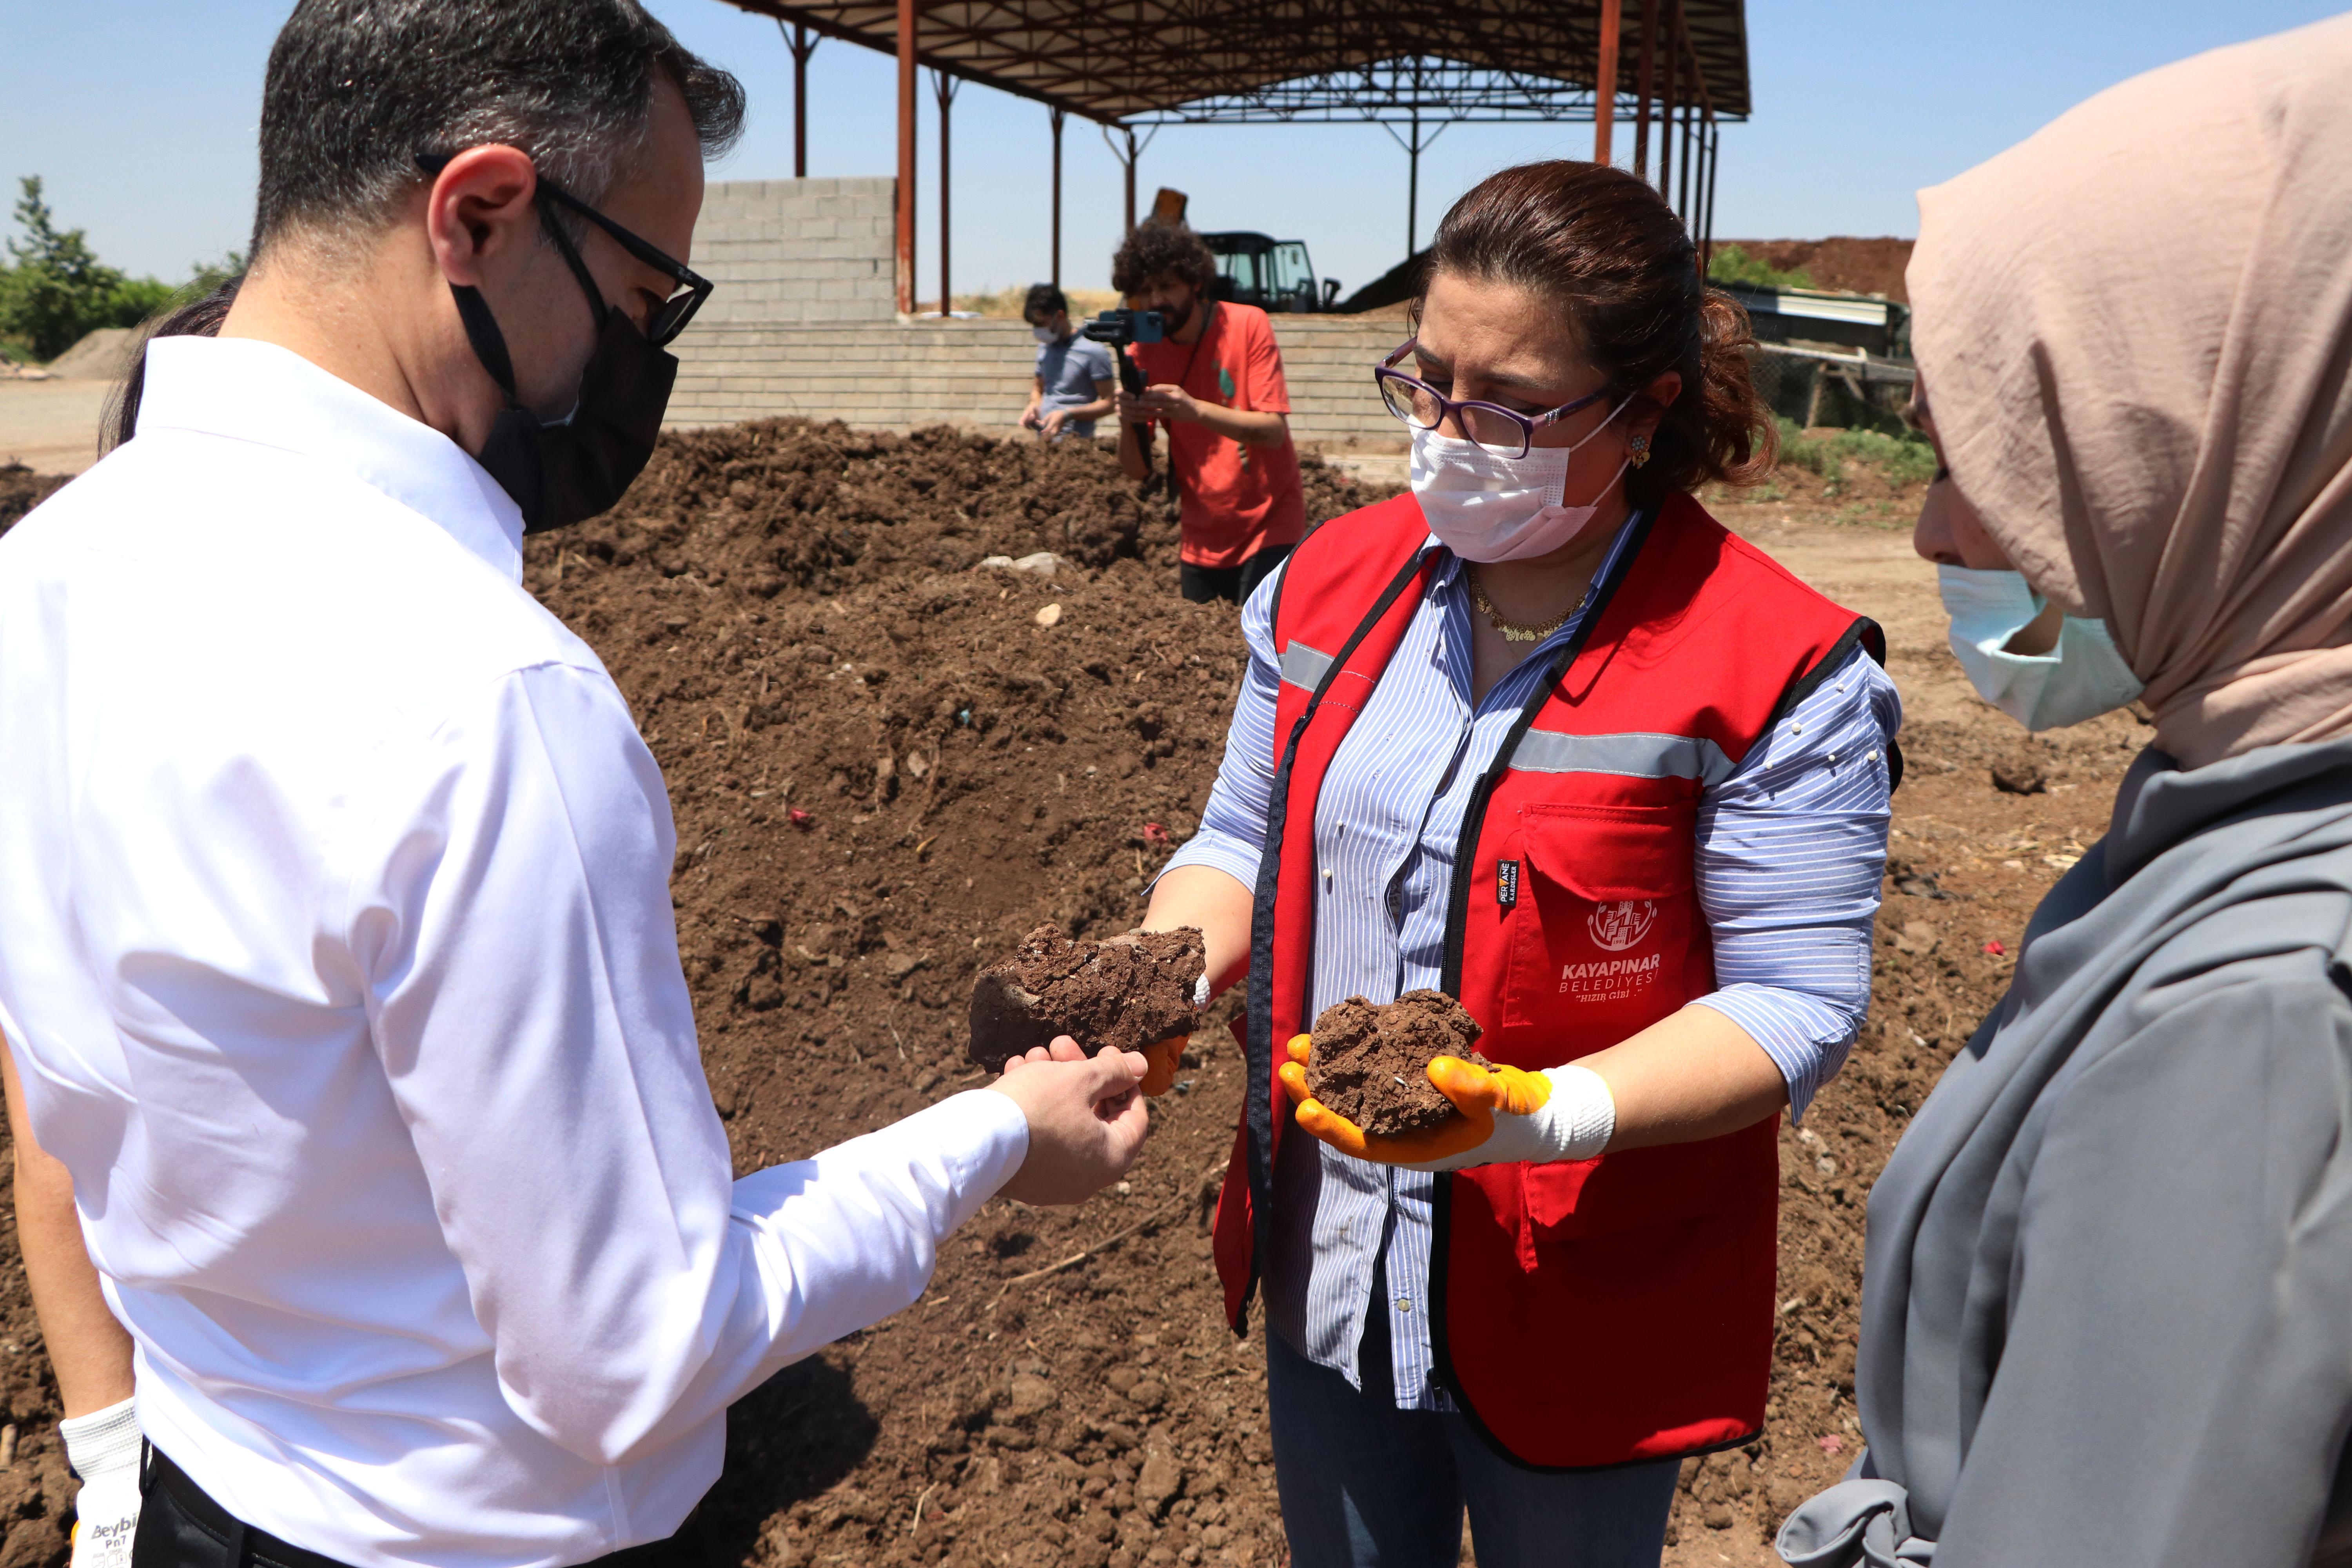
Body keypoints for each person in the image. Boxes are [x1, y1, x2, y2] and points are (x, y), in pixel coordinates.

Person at [0, 6, 1151, 1568]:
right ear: (479, 215)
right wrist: (995, 1136)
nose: (642, 360)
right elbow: (632, 1353)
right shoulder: (479, 691)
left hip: (209, 1487)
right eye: (638, 294)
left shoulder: (48, 570)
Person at [1143, 161, 1902, 1568]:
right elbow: (1237, 836)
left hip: (1582, 1294)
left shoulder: (1770, 664)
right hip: (1337, 1263)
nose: (1448, 428)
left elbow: (1797, 999)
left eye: (1511, 405)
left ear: (1641, 407)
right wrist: (1158, 973)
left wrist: (1537, 1115)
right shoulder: (1321, 585)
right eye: (1424, 377)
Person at [1777, 17, 2352, 1568]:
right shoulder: (2222, 825)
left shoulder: (2261, 1015)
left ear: (2214, 449)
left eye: (2003, 457)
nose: (1932, 531)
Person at [1110, 222, 1306, 604]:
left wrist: (1194, 410)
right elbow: (1137, 471)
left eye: (1167, 286)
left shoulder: (1248, 324)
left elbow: (1272, 431)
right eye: (1146, 290)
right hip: (1201, 535)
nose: (1156, 300)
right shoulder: (1142, 353)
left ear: (1195, 282)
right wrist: (1128, 420)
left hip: (1271, 523)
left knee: (1257, 647)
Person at [1018, 281, 1114, 441]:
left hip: (1076, 447)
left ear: (1060, 316)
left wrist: (1068, 414)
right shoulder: (1045, 348)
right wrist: (1034, 406)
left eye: (1041, 324)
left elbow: (1110, 403)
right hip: (1043, 446)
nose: (1037, 330)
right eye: (1034, 325)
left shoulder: (1093, 351)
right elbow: (1038, 389)